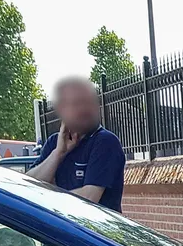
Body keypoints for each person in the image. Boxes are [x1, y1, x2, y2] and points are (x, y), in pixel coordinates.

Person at [28, 76, 126, 212]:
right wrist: (58, 154)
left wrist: (45, 195)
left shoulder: (105, 142)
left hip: (90, 225)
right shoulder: (54, 142)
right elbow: (28, 186)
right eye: (76, 104)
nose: (83, 110)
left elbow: (89, 197)